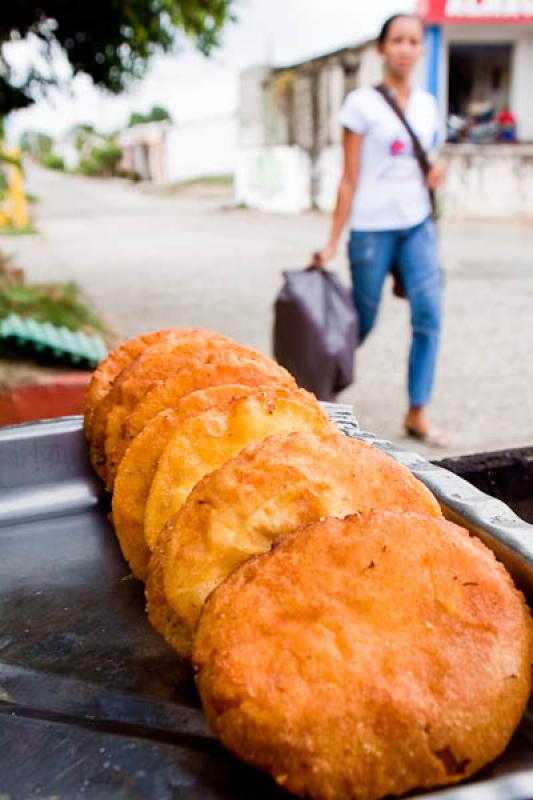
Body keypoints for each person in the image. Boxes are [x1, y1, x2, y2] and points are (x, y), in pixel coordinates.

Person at [314, 13, 448, 446]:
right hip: (372, 228)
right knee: (361, 323)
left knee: (429, 315)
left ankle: (417, 411)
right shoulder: (360, 104)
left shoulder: (428, 106)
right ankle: (317, 395)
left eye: (414, 41)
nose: (406, 48)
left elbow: (426, 158)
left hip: (417, 225)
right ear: (382, 49)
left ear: (422, 49)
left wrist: (435, 172)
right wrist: (333, 240)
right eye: (398, 40)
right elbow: (349, 177)